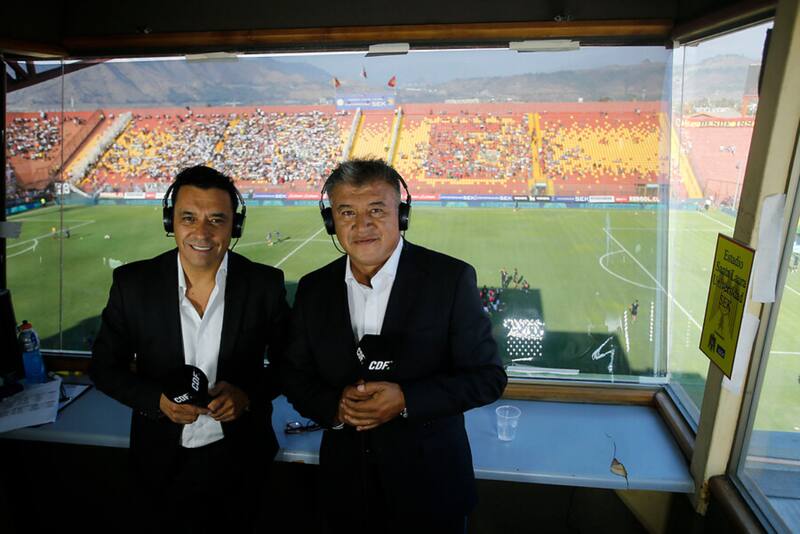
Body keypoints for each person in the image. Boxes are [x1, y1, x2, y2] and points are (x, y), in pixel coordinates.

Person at [281, 159, 507, 532]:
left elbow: (487, 378)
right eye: (346, 212)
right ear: (330, 221)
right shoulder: (313, 288)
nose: (362, 224)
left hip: (431, 492)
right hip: (345, 492)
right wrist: (332, 406)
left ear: (400, 215)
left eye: (376, 210)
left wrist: (407, 399)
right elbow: (291, 371)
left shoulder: (449, 279)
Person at [90, 165, 289, 533]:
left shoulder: (265, 285)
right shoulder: (133, 284)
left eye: (217, 219)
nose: (202, 232)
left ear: (235, 226)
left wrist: (247, 396)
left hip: (242, 461)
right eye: (188, 218)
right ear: (171, 222)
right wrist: (157, 401)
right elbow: (103, 367)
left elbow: (290, 364)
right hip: (160, 463)